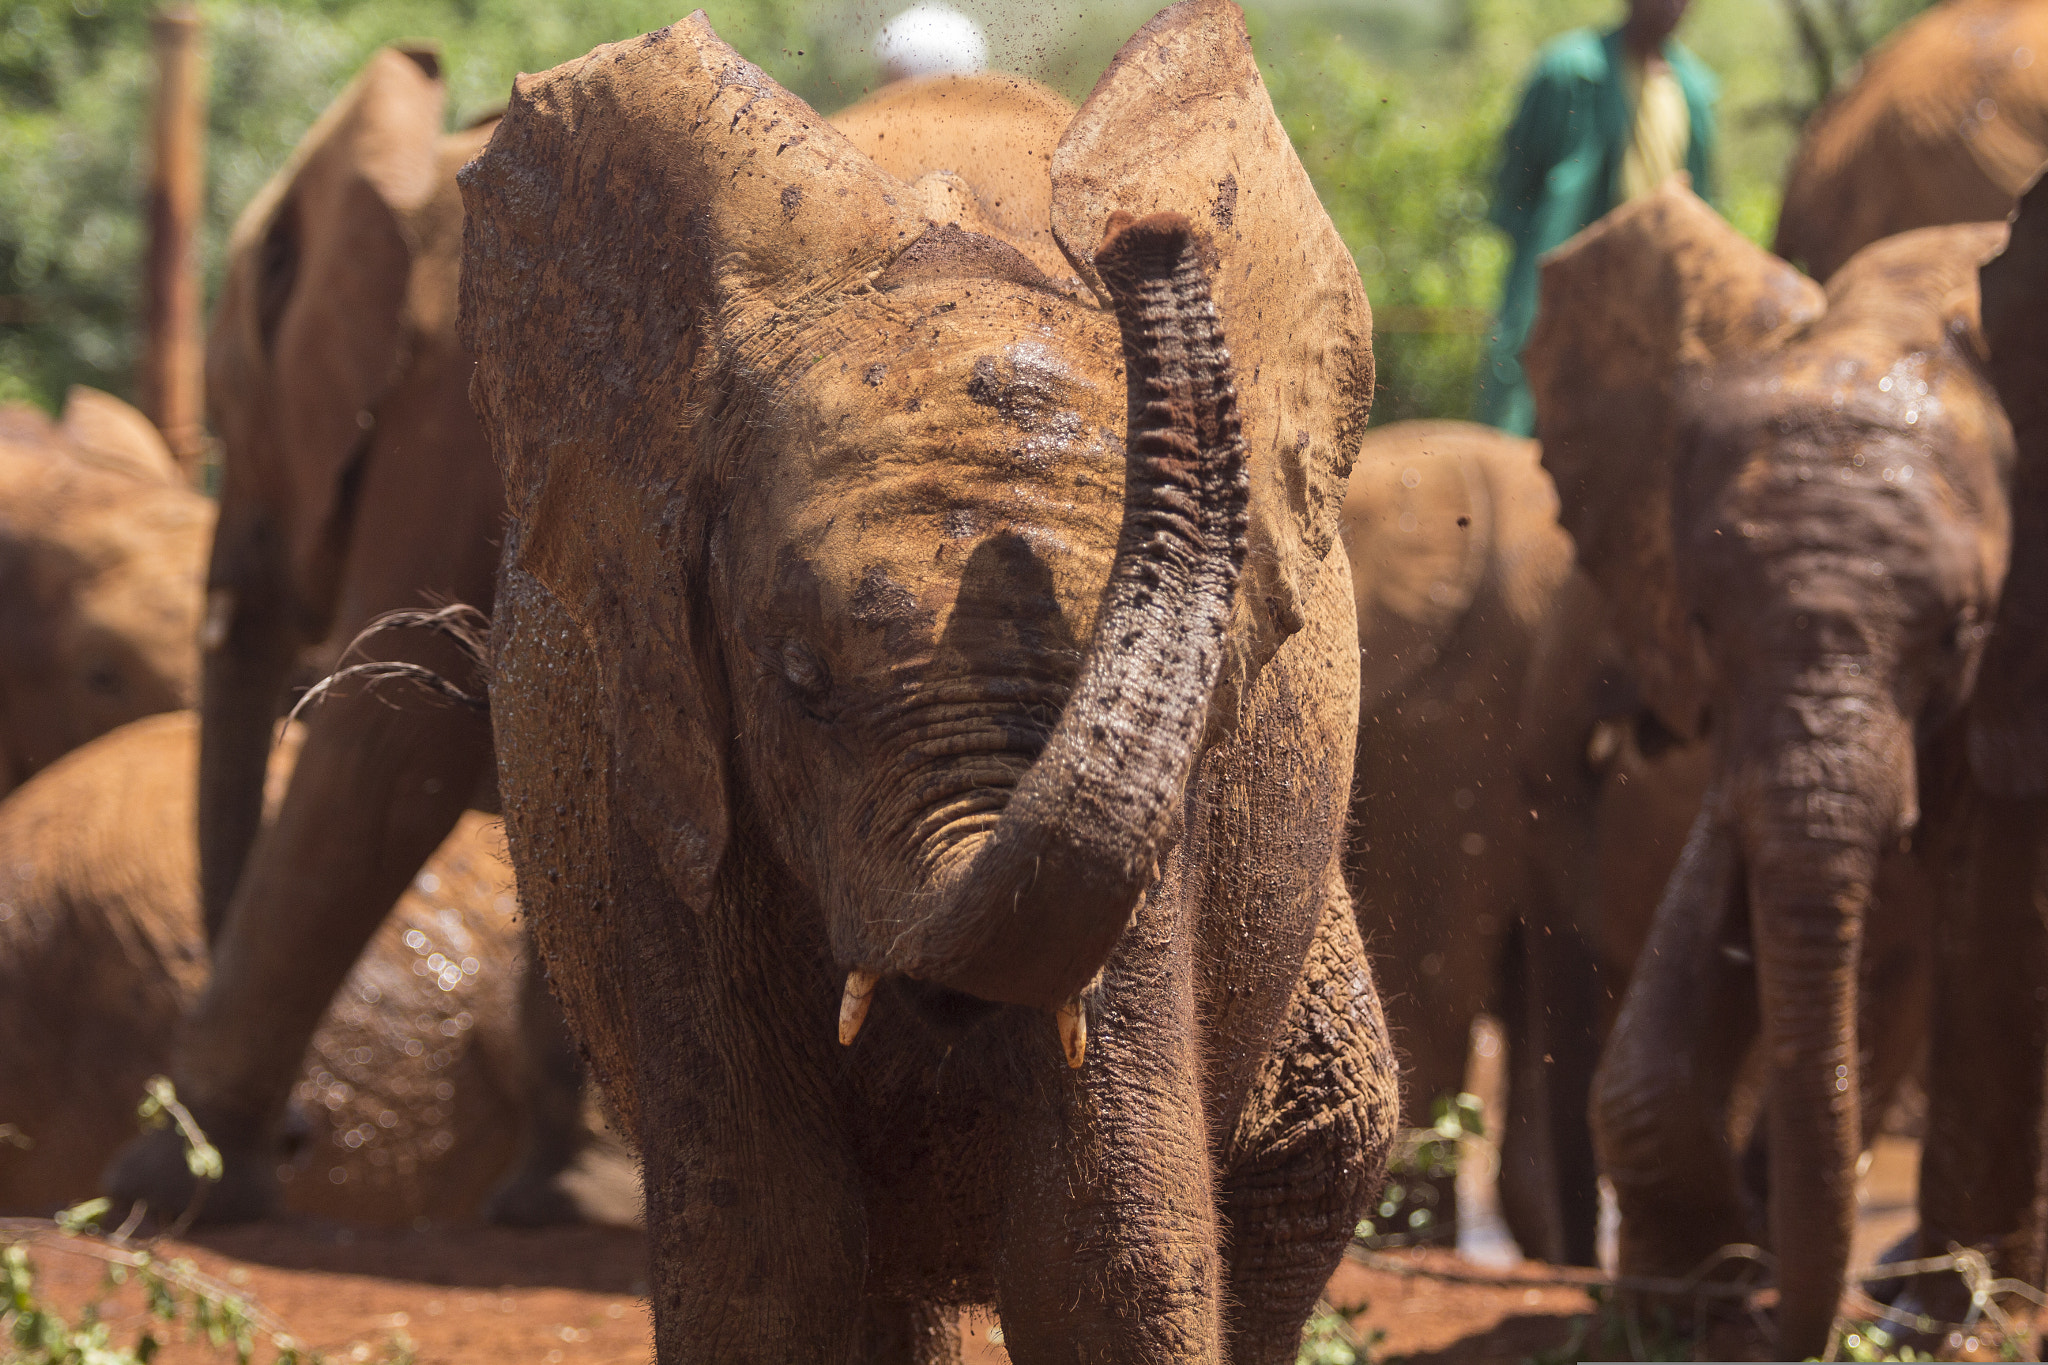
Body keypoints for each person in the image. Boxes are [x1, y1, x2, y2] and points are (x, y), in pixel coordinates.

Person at [1476, 0, 1717, 435]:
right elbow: (1514, 187)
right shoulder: (1570, 73)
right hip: (1566, 284)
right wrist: (1543, 258)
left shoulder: (1694, 90)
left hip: (1651, 299)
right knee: (1526, 407)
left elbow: (1702, 205)